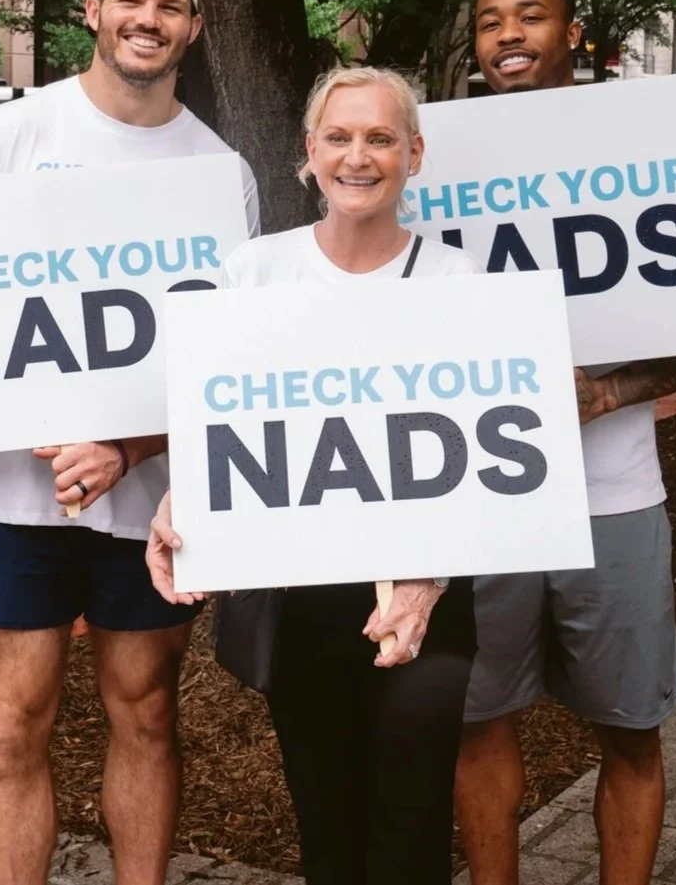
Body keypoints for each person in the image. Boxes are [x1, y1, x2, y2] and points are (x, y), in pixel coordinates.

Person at [0, 0, 259, 885]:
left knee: (147, 713)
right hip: (16, 497)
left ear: (194, 28)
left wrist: (127, 445)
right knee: (10, 724)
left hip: (153, 504)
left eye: (168, 8)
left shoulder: (221, 171)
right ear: (92, 9)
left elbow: (229, 366)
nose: (147, 20)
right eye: (130, 0)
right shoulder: (16, 134)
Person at [147, 66, 482, 885]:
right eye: (338, 137)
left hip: (424, 593)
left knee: (411, 824)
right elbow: (219, 421)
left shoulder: (461, 282)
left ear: (413, 153)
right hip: (299, 596)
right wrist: (181, 502)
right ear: (309, 149)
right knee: (326, 823)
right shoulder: (253, 272)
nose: (356, 157)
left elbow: (480, 461)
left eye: (379, 138)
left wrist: (427, 578)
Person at [452, 0, 676, 885]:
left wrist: (609, 392)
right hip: (484, 503)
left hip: (611, 499)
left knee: (629, 730)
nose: (507, 35)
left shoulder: (642, 147)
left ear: (572, 32)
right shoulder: (439, 160)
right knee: (477, 724)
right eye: (489, 22)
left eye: (528, 16)